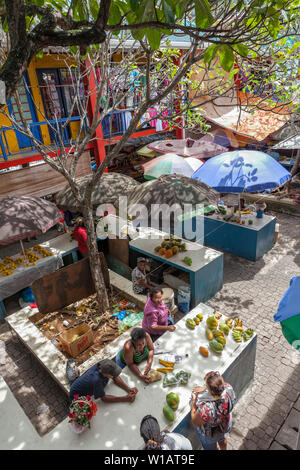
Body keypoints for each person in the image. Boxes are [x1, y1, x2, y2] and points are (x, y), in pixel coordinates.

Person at [190, 371, 236, 450]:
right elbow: (219, 387)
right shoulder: (228, 389)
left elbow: (195, 421)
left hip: (211, 434)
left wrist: (194, 402)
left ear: (211, 391)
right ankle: (223, 447)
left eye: (206, 386)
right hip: (225, 425)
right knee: (222, 439)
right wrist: (206, 387)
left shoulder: (206, 409)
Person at [69, 359, 138, 404]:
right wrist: (124, 398)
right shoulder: (96, 380)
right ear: (106, 374)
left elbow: (115, 376)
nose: (114, 375)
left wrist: (128, 389)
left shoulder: (104, 363)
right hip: (77, 396)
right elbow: (104, 398)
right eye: (112, 374)